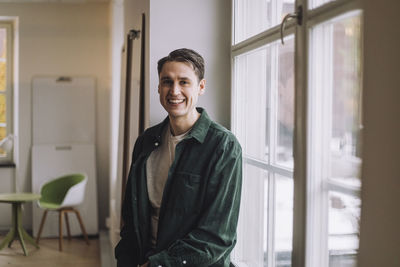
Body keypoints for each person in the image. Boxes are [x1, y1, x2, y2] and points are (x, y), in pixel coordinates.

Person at [115, 48, 242, 267]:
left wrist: (159, 264)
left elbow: (216, 237)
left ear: (201, 87)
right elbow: (131, 218)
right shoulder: (146, 141)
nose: (174, 91)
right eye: (167, 81)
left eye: (184, 82)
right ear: (158, 87)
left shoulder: (223, 146)